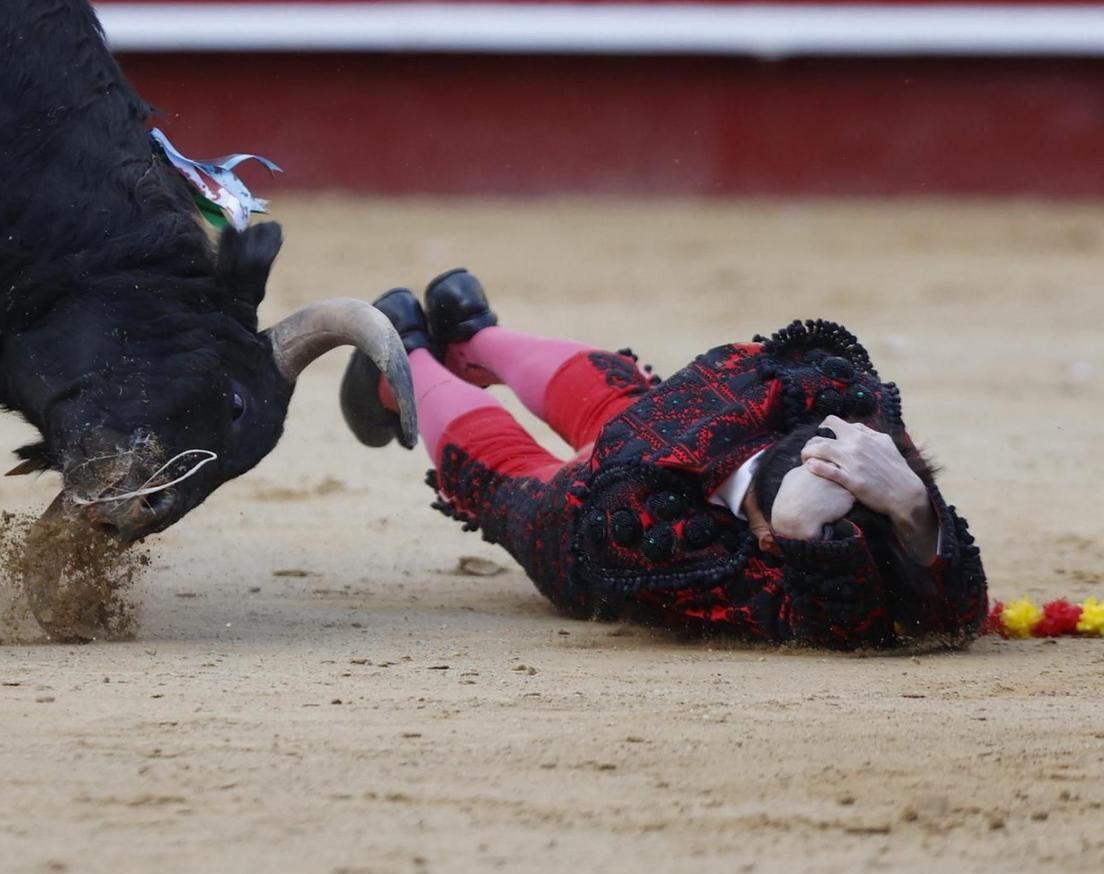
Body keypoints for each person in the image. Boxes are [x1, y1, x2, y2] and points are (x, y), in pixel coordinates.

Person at [339, 271, 986, 649]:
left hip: (672, 433)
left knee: (616, 400)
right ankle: (406, 361)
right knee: (507, 473)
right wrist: (806, 532)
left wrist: (911, 505)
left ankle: (471, 331)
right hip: (595, 502)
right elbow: (870, 627)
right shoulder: (675, 543)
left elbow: (946, 611)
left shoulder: (829, 406)